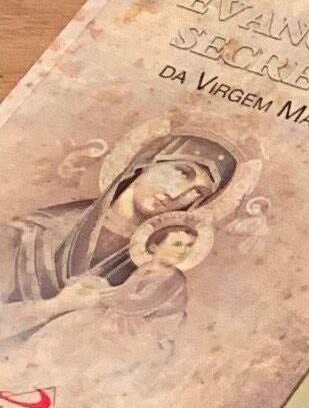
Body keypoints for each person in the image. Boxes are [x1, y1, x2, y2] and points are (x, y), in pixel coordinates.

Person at [0, 135, 236, 358]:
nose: (178, 193)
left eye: (197, 192)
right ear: (144, 163)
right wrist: (55, 306)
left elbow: (157, 355)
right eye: (181, 172)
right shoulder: (31, 234)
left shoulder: (164, 279)